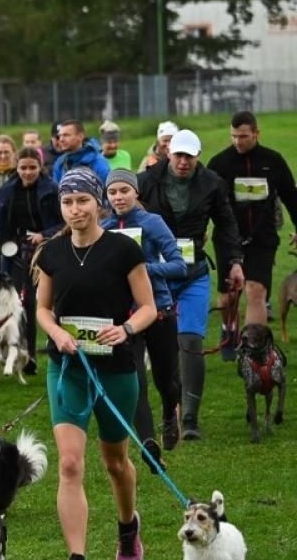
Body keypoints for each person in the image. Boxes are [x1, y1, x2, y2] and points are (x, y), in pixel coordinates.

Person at [33, 169, 157, 560]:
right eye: (68, 203)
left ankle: (127, 525)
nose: (75, 210)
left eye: (82, 201)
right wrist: (57, 334)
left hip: (116, 368)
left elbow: (148, 308)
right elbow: (43, 310)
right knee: (69, 463)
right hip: (68, 369)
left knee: (115, 463)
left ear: (98, 203)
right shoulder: (51, 253)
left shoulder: (123, 250)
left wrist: (126, 329)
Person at [137, 129, 244, 441]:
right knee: (161, 347)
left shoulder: (212, 183)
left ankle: (191, 418)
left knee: (191, 341)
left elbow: (226, 224)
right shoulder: (146, 181)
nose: (183, 162)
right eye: (179, 155)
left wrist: (235, 260)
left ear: (198, 157)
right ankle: (167, 411)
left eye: (190, 156)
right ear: (169, 153)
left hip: (193, 273)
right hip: (155, 277)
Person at [103, 170, 187, 457]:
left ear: (136, 193)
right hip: (125, 319)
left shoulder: (153, 223)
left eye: (124, 190)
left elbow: (179, 266)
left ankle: (169, 414)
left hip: (158, 311)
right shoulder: (103, 228)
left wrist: (141, 270)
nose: (118, 197)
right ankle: (148, 442)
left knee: (167, 380)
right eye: (112, 192)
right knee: (135, 380)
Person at [206, 111, 297, 329]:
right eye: (233, 136)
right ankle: (229, 335)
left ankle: (253, 349)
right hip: (228, 240)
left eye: (243, 136)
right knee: (229, 296)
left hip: (262, 238)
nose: (237, 141)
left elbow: (292, 197)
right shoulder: (219, 163)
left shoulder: (273, 161)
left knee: (255, 291)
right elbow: (204, 202)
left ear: (257, 133)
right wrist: (199, 230)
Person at [0, 147, 61, 370]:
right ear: (16, 168)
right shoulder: (7, 192)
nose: (27, 172)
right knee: (21, 304)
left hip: (47, 252)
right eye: (23, 168)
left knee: (50, 303)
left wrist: (43, 236)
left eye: (32, 168)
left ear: (40, 167)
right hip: (16, 253)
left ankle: (59, 346)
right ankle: (28, 354)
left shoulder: (53, 190)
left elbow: (64, 223)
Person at [51, 120, 111, 186]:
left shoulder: (97, 160)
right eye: (60, 136)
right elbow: (56, 192)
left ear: (80, 136)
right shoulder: (60, 162)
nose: (61, 139)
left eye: (66, 135)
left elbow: (107, 190)